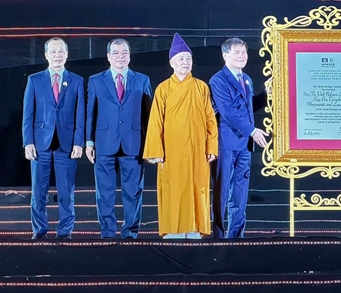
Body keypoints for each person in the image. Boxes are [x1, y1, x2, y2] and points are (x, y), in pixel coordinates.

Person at [144, 33, 218, 239]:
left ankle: (194, 229)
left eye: (188, 59)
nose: (185, 62)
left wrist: (211, 147)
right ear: (172, 63)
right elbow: (155, 121)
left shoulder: (201, 87)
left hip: (197, 150)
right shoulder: (163, 89)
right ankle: (173, 230)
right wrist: (155, 151)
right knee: (173, 188)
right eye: (181, 59)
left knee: (197, 187)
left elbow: (210, 119)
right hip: (172, 150)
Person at [85, 38, 153, 239]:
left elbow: (149, 115)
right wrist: (89, 142)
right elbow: (90, 113)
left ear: (129, 56)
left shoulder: (142, 80)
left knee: (133, 192)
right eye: (115, 53)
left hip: (134, 144)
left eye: (124, 53)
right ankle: (107, 232)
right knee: (104, 193)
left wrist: (151, 145)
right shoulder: (96, 80)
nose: (120, 57)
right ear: (108, 56)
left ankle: (130, 232)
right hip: (104, 143)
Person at [22, 37, 85, 240]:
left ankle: (65, 231)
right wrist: (28, 142)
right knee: (38, 192)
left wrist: (79, 142)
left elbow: (80, 115)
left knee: (66, 192)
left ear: (67, 54)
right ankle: (39, 231)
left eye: (61, 51)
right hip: (40, 143)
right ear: (46, 55)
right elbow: (28, 113)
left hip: (66, 144)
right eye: (53, 52)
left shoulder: (77, 80)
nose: (57, 55)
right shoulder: (35, 80)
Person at [209, 37, 269, 238]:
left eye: (244, 52)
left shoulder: (247, 79)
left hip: (244, 145)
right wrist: (253, 131)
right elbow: (227, 112)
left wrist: (266, 93)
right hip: (225, 143)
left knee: (240, 194)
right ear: (225, 55)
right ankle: (218, 237)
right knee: (221, 192)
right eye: (237, 52)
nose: (242, 56)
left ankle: (236, 237)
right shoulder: (218, 80)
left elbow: (249, 107)